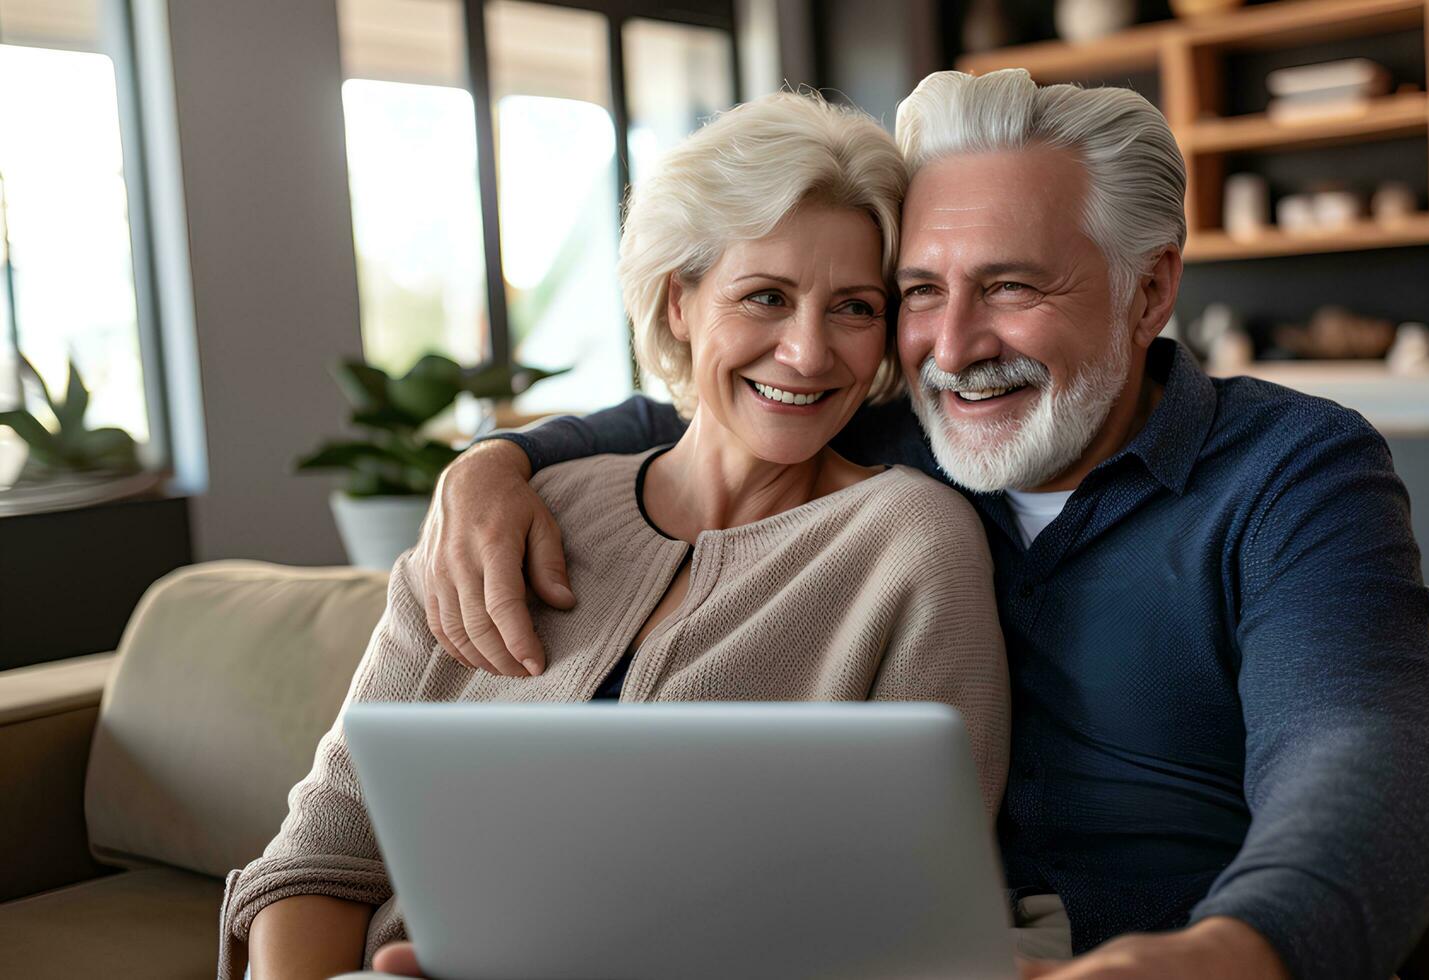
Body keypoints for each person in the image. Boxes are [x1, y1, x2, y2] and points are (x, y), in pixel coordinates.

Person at [421, 69, 1429, 980]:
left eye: (1011, 285)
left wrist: (1241, 948)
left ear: (1147, 288)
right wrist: (496, 461)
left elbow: (1364, 748)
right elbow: (695, 412)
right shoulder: (886, 433)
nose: (955, 347)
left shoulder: (1290, 468)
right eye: (919, 291)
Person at [217, 92, 1010, 980]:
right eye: (764, 296)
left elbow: (911, 911)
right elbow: (325, 848)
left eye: (856, 308)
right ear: (679, 303)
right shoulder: (509, 515)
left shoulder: (912, 543)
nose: (808, 353)